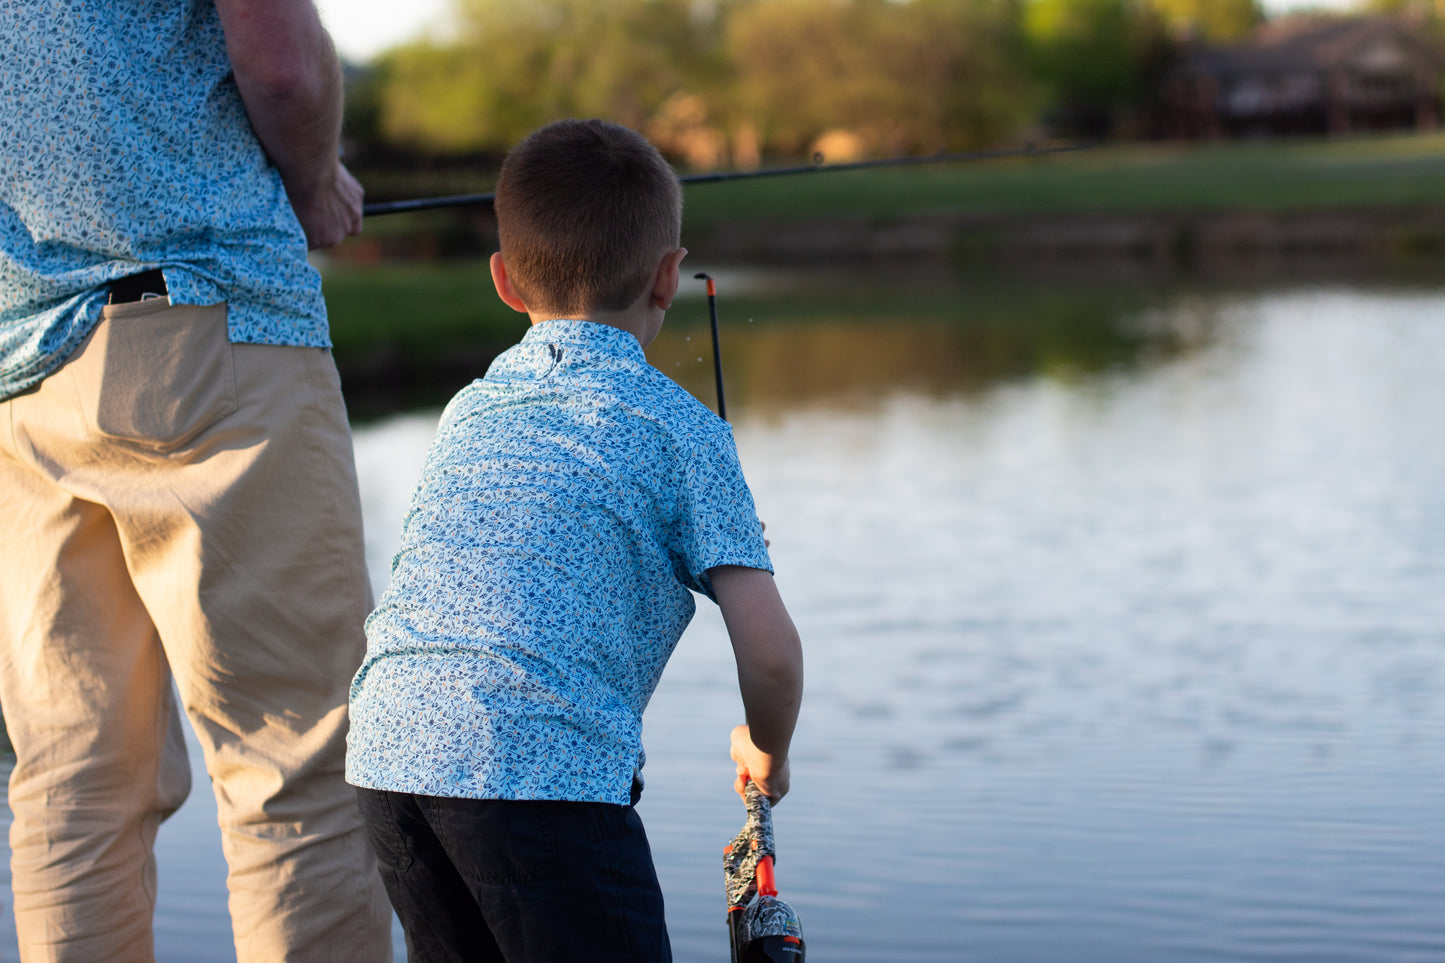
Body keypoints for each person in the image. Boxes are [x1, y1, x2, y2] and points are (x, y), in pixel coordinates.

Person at [347, 118, 805, 963]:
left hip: (389, 754)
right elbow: (771, 657)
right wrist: (765, 753)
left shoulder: (467, 408)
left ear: (504, 282)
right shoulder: (682, 429)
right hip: (541, 774)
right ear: (668, 277)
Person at [0, 1, 393, 960]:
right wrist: (312, 185)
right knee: (295, 761)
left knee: (71, 778)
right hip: (213, 329)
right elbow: (285, 68)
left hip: (15, 378)